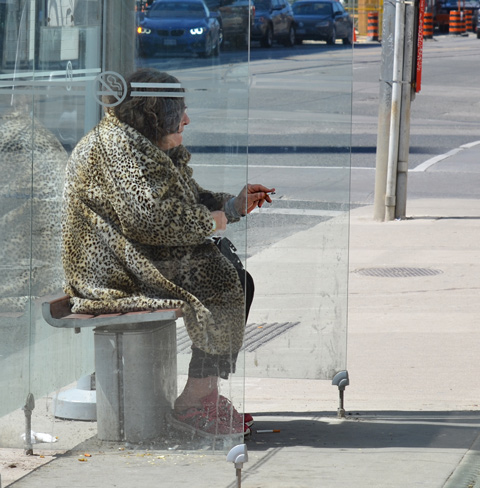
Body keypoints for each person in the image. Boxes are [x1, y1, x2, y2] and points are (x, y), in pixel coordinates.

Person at [61, 68, 275, 437]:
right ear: (155, 113)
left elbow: (183, 199)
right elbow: (151, 220)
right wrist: (215, 221)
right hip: (111, 271)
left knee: (233, 279)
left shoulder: (143, 143)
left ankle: (202, 396)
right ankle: (193, 404)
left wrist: (233, 205)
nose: (187, 119)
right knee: (223, 282)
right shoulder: (119, 147)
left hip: (134, 256)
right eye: (180, 110)